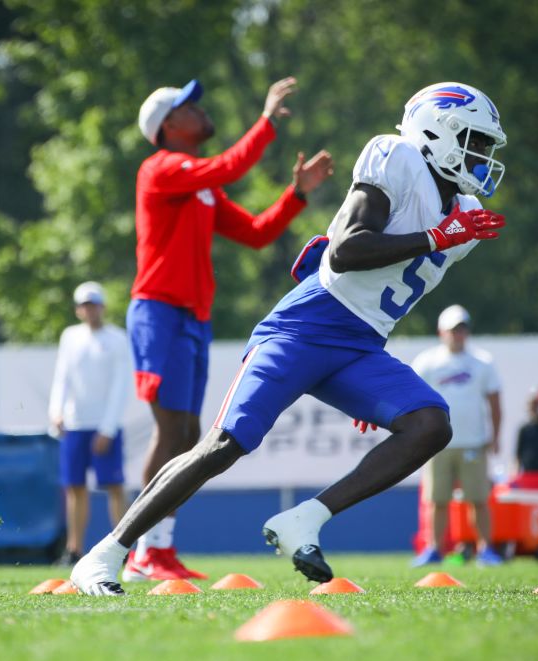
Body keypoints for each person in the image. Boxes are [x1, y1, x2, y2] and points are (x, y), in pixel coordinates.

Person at [71, 81, 508, 594]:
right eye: (474, 141)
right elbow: (346, 251)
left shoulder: (465, 217)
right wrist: (435, 237)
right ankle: (107, 553)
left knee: (430, 423)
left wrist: (374, 377)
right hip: (306, 325)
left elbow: (385, 290)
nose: (480, 156)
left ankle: (307, 519)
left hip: (362, 341)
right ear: (439, 129)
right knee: (224, 443)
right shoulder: (397, 156)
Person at [122, 76, 334, 582]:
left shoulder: (199, 187)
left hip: (191, 318)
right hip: (159, 312)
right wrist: (264, 123)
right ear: (168, 126)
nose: (199, 110)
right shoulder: (162, 168)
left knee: (191, 434)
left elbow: (257, 234)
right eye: (188, 107)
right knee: (171, 431)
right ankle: (138, 549)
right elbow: (229, 165)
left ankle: (160, 548)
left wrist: (296, 195)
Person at [411, 305, 504, 566]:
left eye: (462, 329)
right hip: (438, 444)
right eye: (453, 329)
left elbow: (495, 402)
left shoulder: (482, 362)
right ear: (442, 332)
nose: (458, 334)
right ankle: (434, 549)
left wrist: (496, 437)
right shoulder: (427, 362)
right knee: (437, 500)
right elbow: (414, 400)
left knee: (478, 499)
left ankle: (486, 549)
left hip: (473, 442)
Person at [48, 282, 134, 566]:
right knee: (75, 487)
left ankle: (122, 548)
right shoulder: (70, 337)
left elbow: (121, 385)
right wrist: (56, 412)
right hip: (75, 424)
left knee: (114, 486)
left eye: (95, 304)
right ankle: (74, 549)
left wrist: (107, 428)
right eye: (85, 305)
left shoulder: (118, 338)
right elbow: (62, 376)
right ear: (78, 310)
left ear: (103, 307)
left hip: (104, 426)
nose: (91, 309)